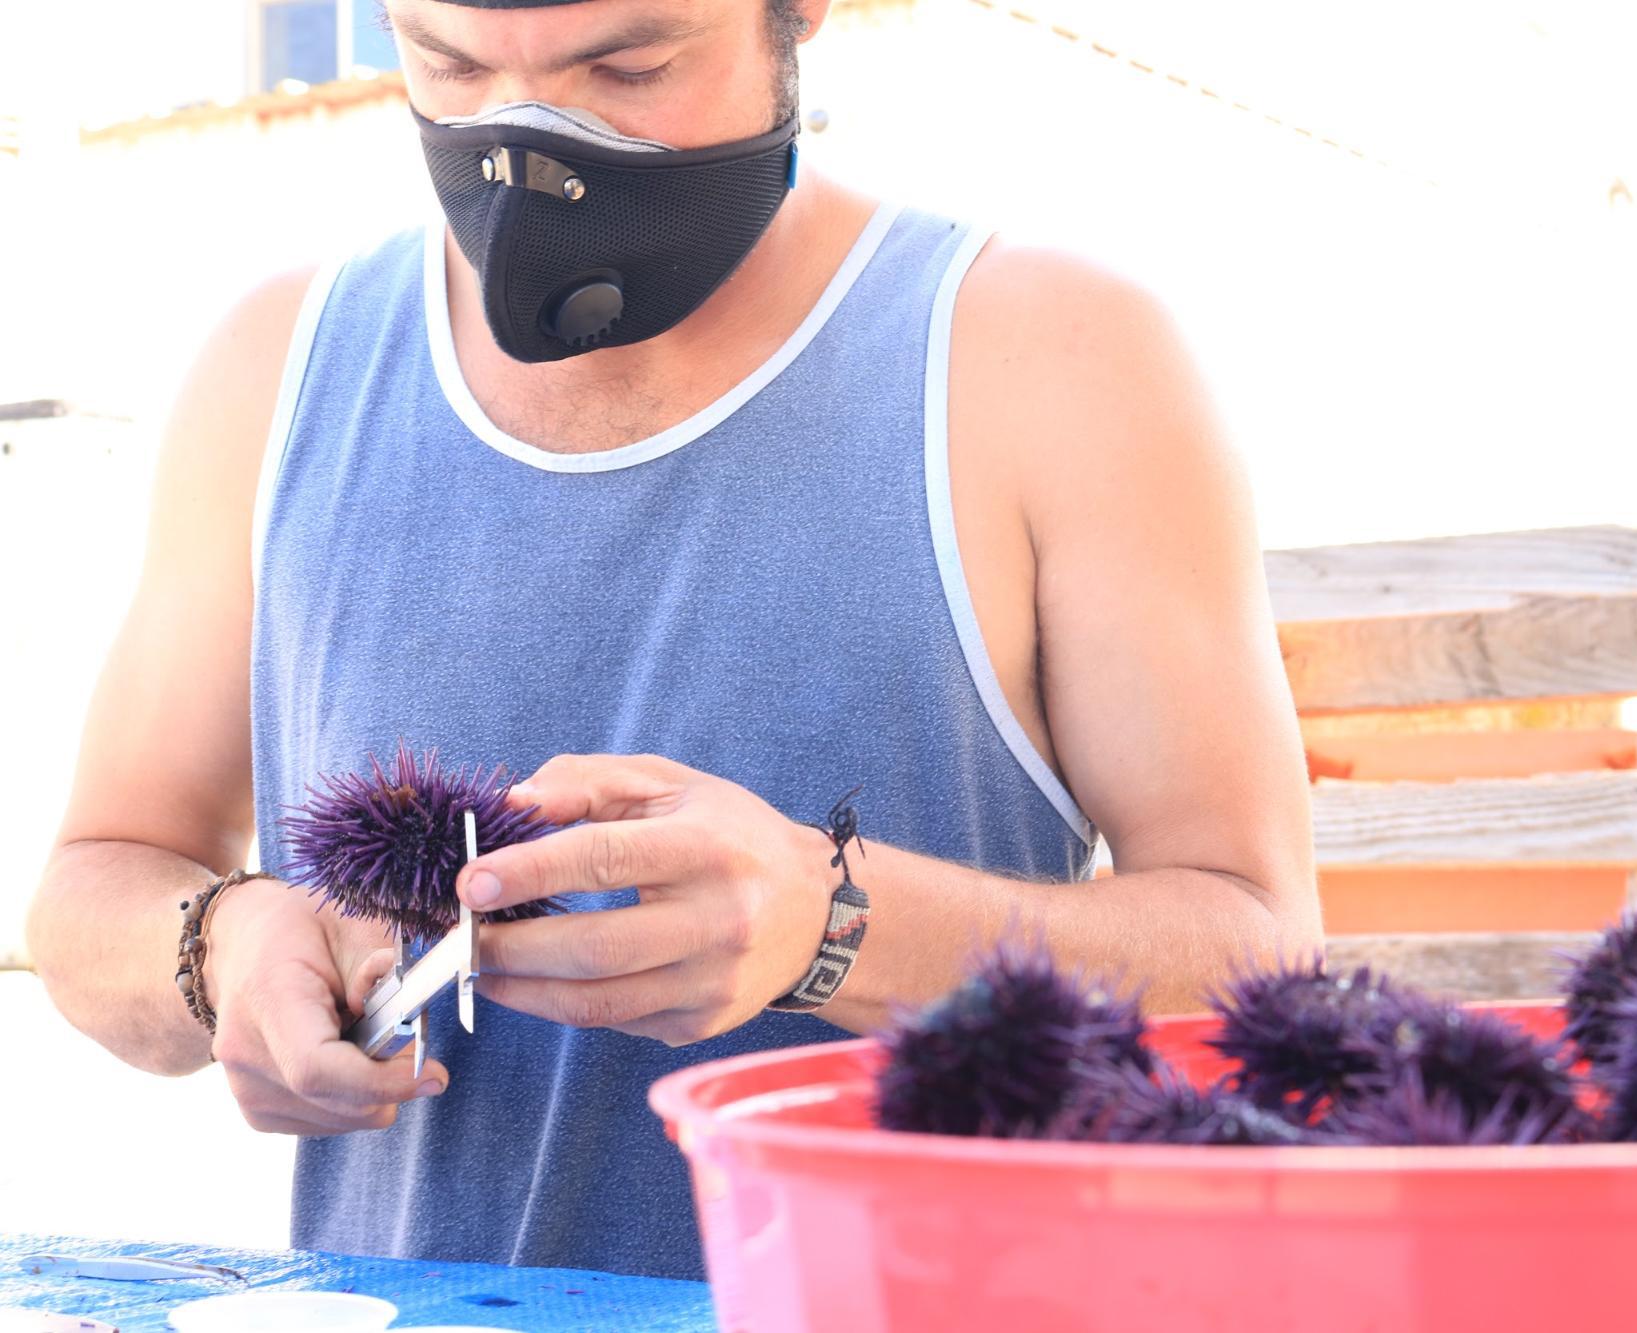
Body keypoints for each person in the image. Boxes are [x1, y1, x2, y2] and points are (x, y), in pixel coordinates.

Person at [26, 0, 1316, 1279]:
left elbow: (1257, 953)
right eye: (451, 64)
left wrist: (833, 924)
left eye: (628, 63)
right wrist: (218, 948)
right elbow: (97, 884)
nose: (529, 138)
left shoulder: (1053, 358)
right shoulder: (277, 369)